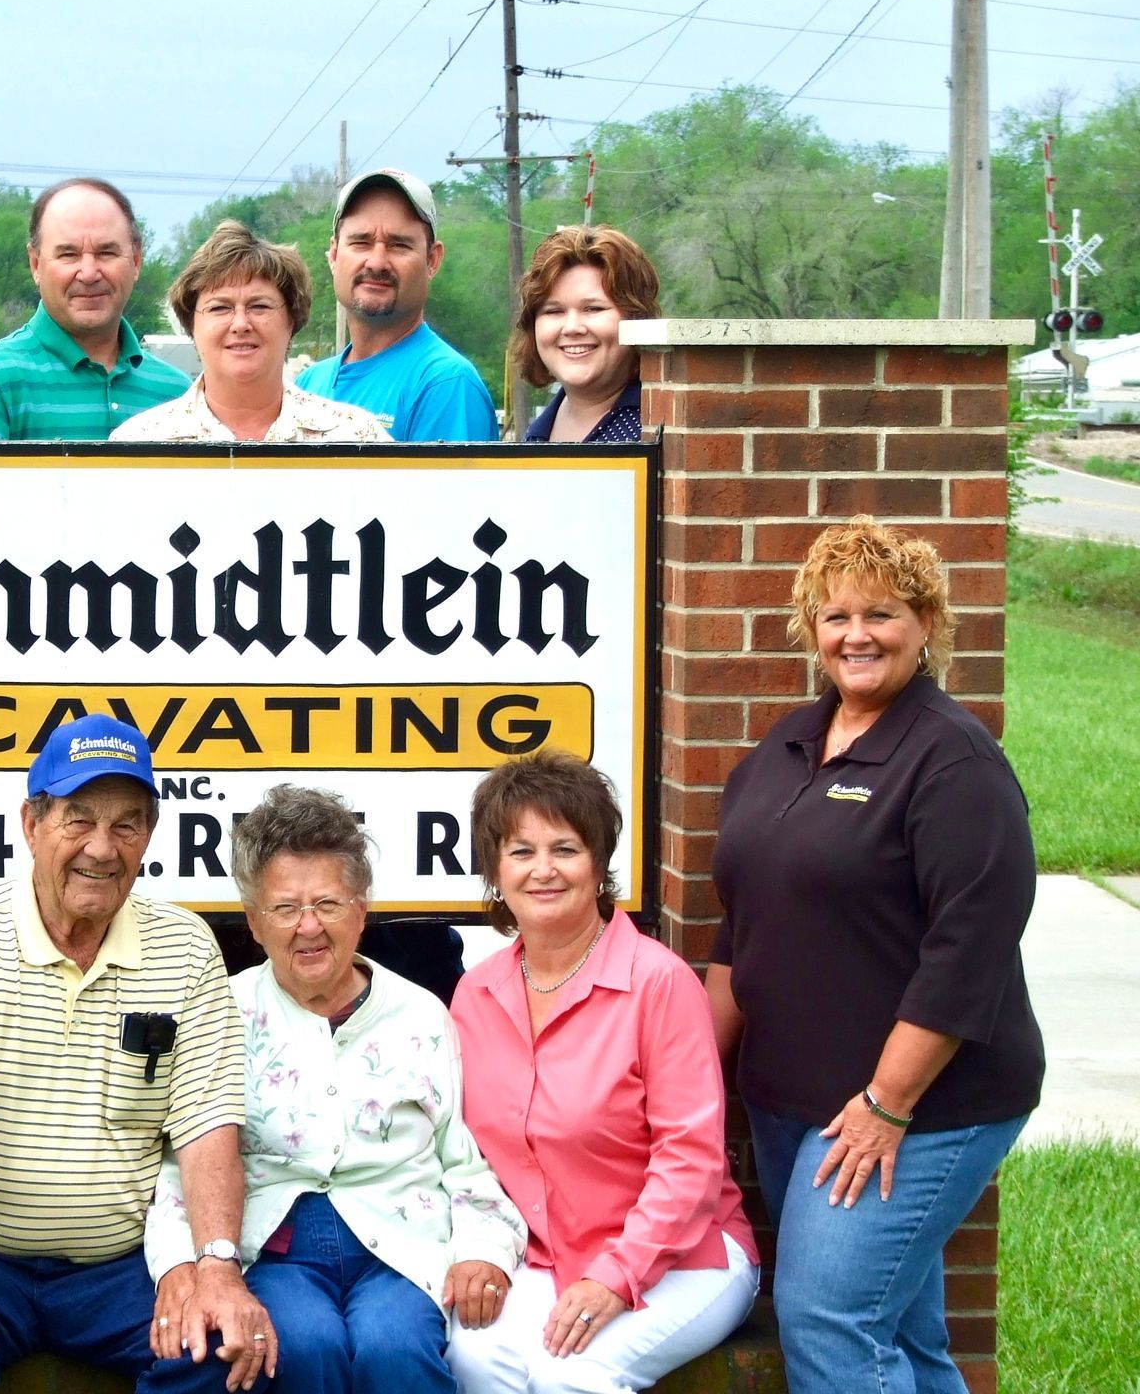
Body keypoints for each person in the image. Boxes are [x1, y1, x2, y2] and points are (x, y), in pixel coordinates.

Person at [707, 518, 1044, 1394]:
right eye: (836, 615)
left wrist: (885, 1105)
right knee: (907, 1339)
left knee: (830, 1324)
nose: (856, 635)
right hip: (791, 1106)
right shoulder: (785, 748)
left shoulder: (951, 759)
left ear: (927, 624)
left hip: (916, 1112)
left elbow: (968, 948)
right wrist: (698, 1082)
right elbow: (738, 926)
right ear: (811, 629)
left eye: (883, 615)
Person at [0, 714, 275, 1394]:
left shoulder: (185, 948)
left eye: (127, 824)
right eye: (78, 819)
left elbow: (209, 1125)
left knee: (223, 1355)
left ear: (149, 836)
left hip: (118, 1268)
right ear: (31, 825)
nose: (102, 847)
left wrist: (215, 1269)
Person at [143, 784, 527, 1394]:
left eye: (327, 901)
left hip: (401, 1250)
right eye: (285, 908)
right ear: (252, 922)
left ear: (361, 907)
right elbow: (178, 1163)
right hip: (277, 1252)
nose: (310, 926)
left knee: (396, 1349)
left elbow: (467, 1158)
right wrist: (179, 1265)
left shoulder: (422, 1014)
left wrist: (485, 1248)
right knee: (301, 1347)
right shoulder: (224, 1010)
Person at [449, 752, 759, 1394]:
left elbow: (690, 1161)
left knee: (574, 1374)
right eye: (521, 851)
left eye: (565, 848)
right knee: (474, 1360)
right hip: (544, 1257)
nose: (543, 870)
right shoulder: (475, 995)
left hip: (685, 1257)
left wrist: (616, 1275)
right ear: (494, 871)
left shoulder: (657, 983)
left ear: (598, 864)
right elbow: (462, 1152)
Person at [0, 178, 191, 439]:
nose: (89, 273)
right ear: (36, 264)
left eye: (106, 253)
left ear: (136, 261)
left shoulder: (180, 395)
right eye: (69, 255)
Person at [111, 221, 385, 444]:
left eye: (259, 306)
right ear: (191, 325)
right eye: (220, 308)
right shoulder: (138, 444)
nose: (240, 324)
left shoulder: (358, 438)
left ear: (292, 320)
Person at [295, 169, 496, 442]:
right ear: (333, 254)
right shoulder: (309, 384)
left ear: (432, 260)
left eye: (399, 245)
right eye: (361, 242)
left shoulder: (445, 384)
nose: (377, 262)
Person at [513, 225, 659, 445]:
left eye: (593, 309)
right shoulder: (536, 432)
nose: (572, 327)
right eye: (554, 311)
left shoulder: (660, 431)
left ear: (636, 317)